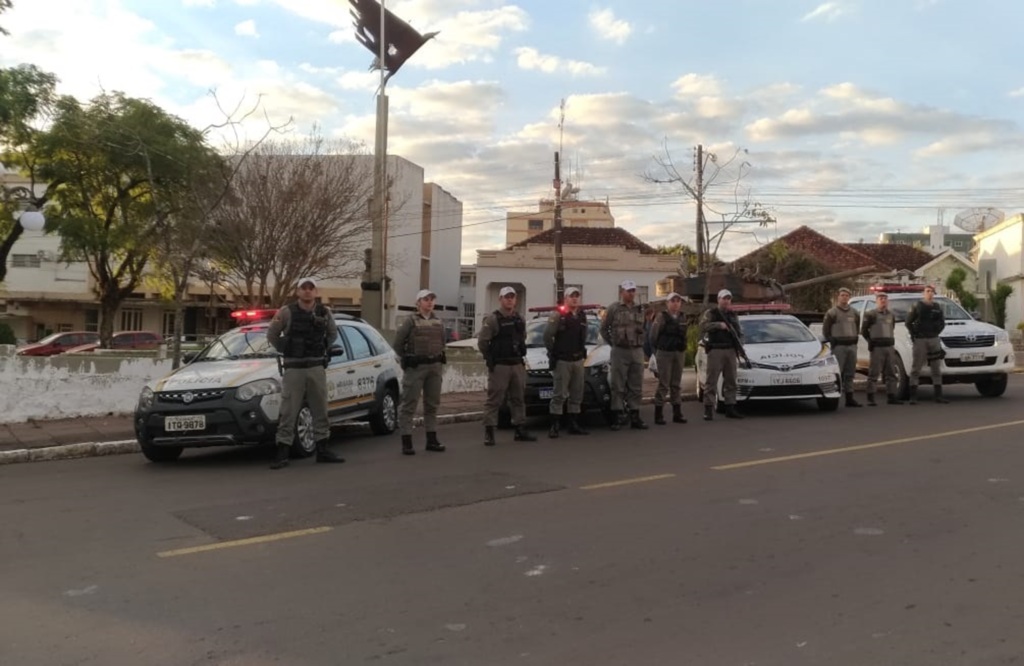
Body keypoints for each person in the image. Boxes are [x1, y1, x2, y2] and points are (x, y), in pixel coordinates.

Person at [265, 277, 345, 469]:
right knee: (288, 411)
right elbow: (272, 334)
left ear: (316, 292)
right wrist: (287, 348)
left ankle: (323, 449)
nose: (308, 291)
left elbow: (333, 334)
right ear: (298, 291)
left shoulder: (324, 312)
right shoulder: (286, 312)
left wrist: (323, 347)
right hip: (294, 367)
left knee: (320, 409)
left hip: (316, 366)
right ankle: (283, 452)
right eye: (304, 288)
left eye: (311, 288)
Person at [479, 286, 536, 446]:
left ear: (515, 300)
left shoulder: (520, 318)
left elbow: (522, 338)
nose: (509, 300)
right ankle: (489, 431)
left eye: (512, 297)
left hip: (516, 363)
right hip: (500, 365)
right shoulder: (492, 319)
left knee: (518, 399)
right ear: (500, 299)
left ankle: (520, 429)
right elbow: (483, 342)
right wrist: (490, 358)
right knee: (494, 399)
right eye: (506, 297)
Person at [393, 289, 447, 456]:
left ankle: (432, 439)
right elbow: (398, 344)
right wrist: (408, 360)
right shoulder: (410, 321)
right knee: (409, 404)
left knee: (432, 404)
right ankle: (407, 442)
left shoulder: (438, 321)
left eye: (431, 299)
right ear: (418, 303)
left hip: (434, 368)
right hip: (415, 368)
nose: (429, 302)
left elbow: (443, 342)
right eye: (425, 299)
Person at [600, 280, 648, 430]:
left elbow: (644, 328)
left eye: (633, 290)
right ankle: (617, 416)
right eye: (629, 291)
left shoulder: (639, 309)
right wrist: (613, 344)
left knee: (636, 385)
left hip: (636, 350)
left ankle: (635, 416)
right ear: (622, 292)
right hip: (620, 350)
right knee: (618, 385)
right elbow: (604, 329)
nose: (632, 293)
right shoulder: (614, 308)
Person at [543, 286, 590, 438]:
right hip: (563, 360)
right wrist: (554, 352)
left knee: (576, 394)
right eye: (571, 296)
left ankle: (573, 424)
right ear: (566, 298)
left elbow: (584, 336)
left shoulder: (582, 316)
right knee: (559, 394)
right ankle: (555, 425)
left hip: (577, 360)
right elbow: (547, 336)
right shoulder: (558, 315)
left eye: (577, 296)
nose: (575, 299)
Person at [699, 289, 744, 421]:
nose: (726, 301)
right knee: (711, 381)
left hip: (730, 350)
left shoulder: (732, 314)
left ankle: (730, 407)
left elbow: (739, 332)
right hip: (716, 349)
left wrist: (741, 345)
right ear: (718, 300)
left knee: (731, 380)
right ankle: (708, 409)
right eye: (724, 298)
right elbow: (703, 326)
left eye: (728, 299)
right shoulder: (711, 313)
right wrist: (718, 325)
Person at [650, 292, 689, 425]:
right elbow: (653, 335)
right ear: (667, 303)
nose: (676, 303)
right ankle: (658, 414)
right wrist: (655, 351)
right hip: (665, 352)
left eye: (678, 301)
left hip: (678, 352)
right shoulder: (662, 317)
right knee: (663, 384)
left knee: (676, 384)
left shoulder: (683, 317)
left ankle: (677, 413)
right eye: (673, 301)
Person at [905, 284, 948, 404]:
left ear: (934, 293)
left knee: (936, 368)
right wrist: (914, 334)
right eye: (927, 291)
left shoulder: (937, 307)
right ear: (923, 293)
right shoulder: (917, 306)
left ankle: (938, 395)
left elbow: (942, 322)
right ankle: (913, 396)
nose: (929, 293)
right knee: (916, 368)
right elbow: (908, 322)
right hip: (920, 339)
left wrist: (936, 332)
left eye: (931, 291)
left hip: (933, 339)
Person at [822, 287, 862, 408]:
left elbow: (857, 326)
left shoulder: (854, 312)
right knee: (838, 373)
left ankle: (850, 398)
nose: (844, 297)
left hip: (852, 346)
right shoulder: (832, 312)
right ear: (838, 297)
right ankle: (834, 398)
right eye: (842, 295)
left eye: (846, 295)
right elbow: (826, 330)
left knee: (850, 373)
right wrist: (831, 340)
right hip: (839, 346)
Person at [861, 291, 901, 406]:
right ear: (876, 301)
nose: (883, 300)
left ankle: (892, 396)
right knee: (874, 373)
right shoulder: (871, 314)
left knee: (891, 373)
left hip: (889, 346)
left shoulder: (890, 314)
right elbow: (864, 330)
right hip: (877, 347)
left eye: (885, 298)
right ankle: (871, 397)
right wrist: (870, 341)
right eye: (880, 298)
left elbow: (891, 327)